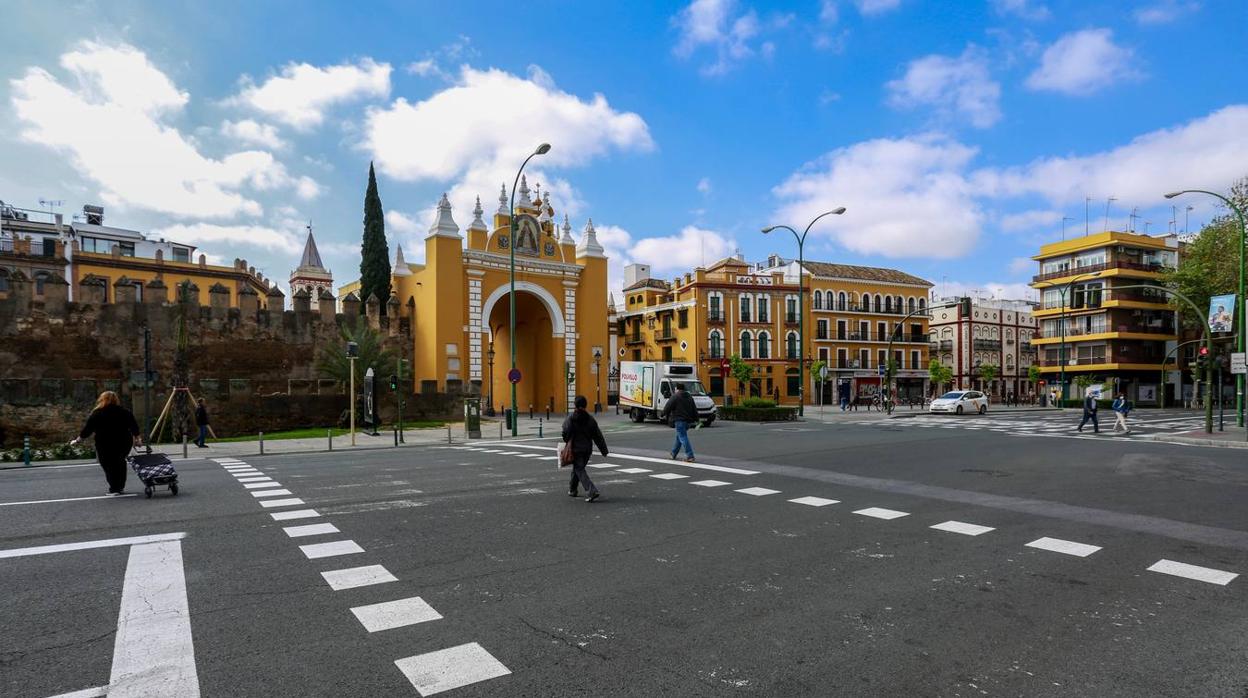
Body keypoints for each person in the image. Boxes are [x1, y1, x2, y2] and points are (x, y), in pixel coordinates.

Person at [71, 391, 141, 495]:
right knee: (120, 462)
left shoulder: (97, 413)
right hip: (123, 441)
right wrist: (137, 439)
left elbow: (88, 429)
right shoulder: (125, 411)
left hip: (104, 442)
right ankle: (120, 486)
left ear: (102, 399)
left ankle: (114, 487)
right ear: (116, 400)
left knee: (107, 464)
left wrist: (77, 440)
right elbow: (134, 426)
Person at [561, 395, 607, 502]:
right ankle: (572, 490)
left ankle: (592, 491)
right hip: (587, 450)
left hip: (575, 449)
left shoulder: (571, 418)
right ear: (585, 405)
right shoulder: (590, 419)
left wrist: (567, 440)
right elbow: (598, 436)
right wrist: (603, 450)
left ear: (575, 405)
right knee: (577, 469)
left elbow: (565, 433)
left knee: (579, 469)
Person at [662, 383, 698, 463]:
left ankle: (690, 456)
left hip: (679, 420)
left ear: (677, 388)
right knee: (679, 437)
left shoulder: (675, 396)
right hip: (688, 422)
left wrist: (663, 414)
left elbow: (668, 406)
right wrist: (697, 419)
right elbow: (694, 408)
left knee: (683, 437)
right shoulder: (689, 396)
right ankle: (673, 454)